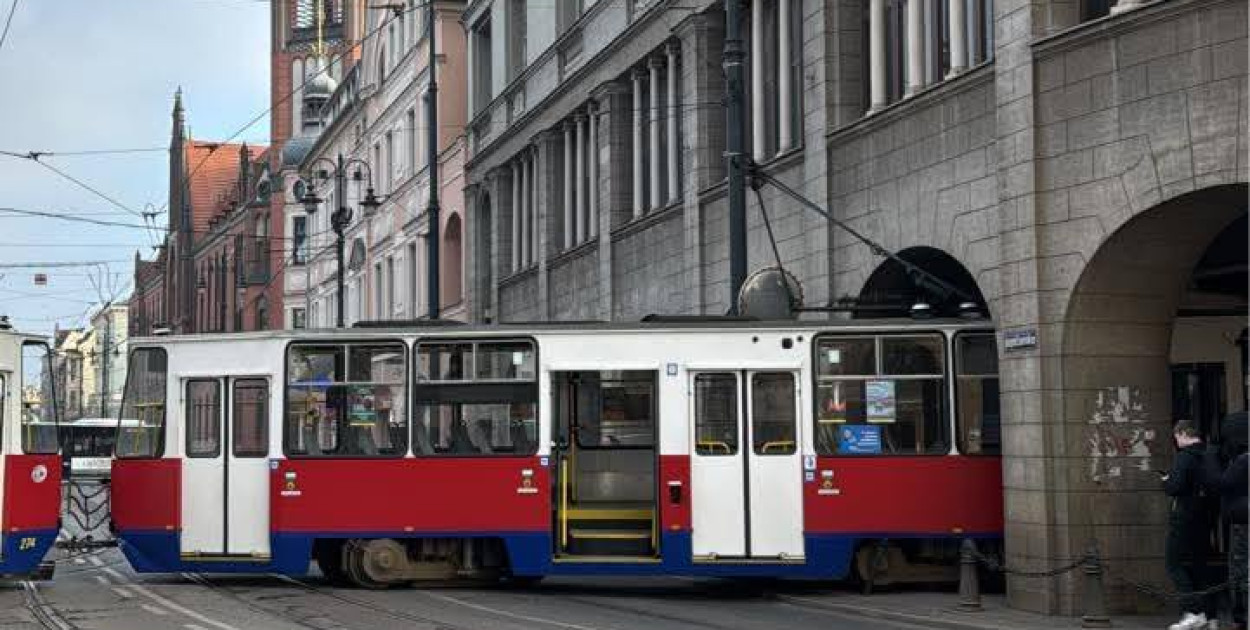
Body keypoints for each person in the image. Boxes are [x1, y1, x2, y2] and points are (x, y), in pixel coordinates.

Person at [1164, 420, 1213, 630]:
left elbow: (1175, 486)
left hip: (1183, 517)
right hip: (1205, 518)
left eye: (1176, 437)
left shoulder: (1184, 457)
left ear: (1182, 434)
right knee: (1200, 565)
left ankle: (1192, 611)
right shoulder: (1210, 455)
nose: (1176, 442)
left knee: (1173, 563)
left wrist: (1166, 481)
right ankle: (1209, 616)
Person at [1211, 412, 1248, 630]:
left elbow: (1222, 483)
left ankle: (1241, 616)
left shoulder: (1243, 461)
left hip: (1242, 520)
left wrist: (1212, 459)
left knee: (1240, 569)